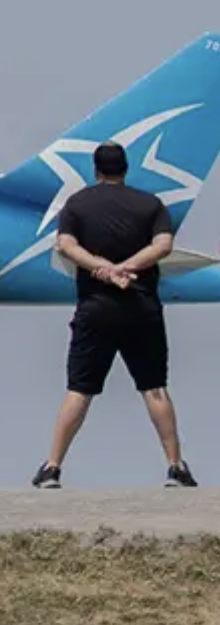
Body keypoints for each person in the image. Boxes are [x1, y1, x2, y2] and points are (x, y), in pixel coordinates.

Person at [33, 141, 197, 489]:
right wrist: (127, 267)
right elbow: (163, 245)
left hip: (95, 308)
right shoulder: (151, 204)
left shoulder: (77, 204)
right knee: (154, 388)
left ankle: (52, 467)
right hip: (141, 307)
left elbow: (66, 245)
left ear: (96, 171)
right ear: (125, 169)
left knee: (79, 390)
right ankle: (176, 467)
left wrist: (103, 268)